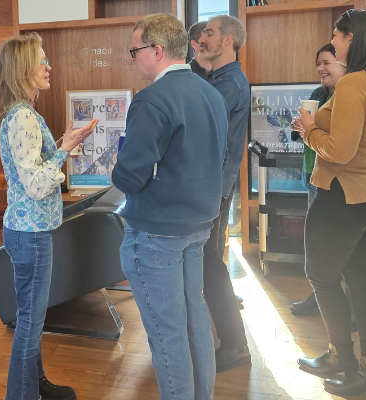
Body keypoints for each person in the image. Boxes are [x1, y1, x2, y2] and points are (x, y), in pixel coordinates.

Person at [113, 14, 228, 400]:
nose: (134, 58)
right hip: (198, 225)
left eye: (135, 50)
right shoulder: (211, 93)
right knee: (194, 317)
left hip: (157, 230)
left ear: (157, 50)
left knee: (167, 330)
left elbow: (129, 176)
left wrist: (114, 166)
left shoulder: (152, 99)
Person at [293, 10, 366, 399]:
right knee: (361, 282)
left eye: (336, 36)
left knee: (321, 276)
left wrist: (308, 130)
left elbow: (339, 150)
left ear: (351, 38)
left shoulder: (353, 83)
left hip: (343, 195)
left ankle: (343, 358)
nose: (333, 43)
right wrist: (318, 127)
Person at [0, 33, 98, 400]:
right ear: (24, 69)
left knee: (30, 321)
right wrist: (65, 149)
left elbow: (33, 171)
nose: (48, 66)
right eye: (42, 61)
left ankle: (35, 384)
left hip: (28, 230)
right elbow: (37, 185)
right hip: (30, 234)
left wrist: (63, 143)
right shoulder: (22, 117)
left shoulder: (24, 113)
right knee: (30, 324)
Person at [196, 14, 251, 372]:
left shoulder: (228, 84)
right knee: (209, 261)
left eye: (210, 32)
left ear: (227, 40)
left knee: (210, 265)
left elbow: (198, 126)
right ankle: (228, 339)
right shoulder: (219, 79)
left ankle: (235, 345)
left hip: (212, 188)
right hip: (212, 185)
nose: (202, 37)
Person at [290, 44, 347, 317]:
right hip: (313, 172)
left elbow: (339, 143)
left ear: (342, 64)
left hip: (337, 180)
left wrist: (311, 127)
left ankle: (343, 305)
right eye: (318, 64)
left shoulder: (350, 96)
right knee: (317, 242)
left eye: (326, 62)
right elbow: (306, 134)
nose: (320, 68)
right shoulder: (317, 94)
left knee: (335, 242)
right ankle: (319, 296)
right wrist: (299, 127)